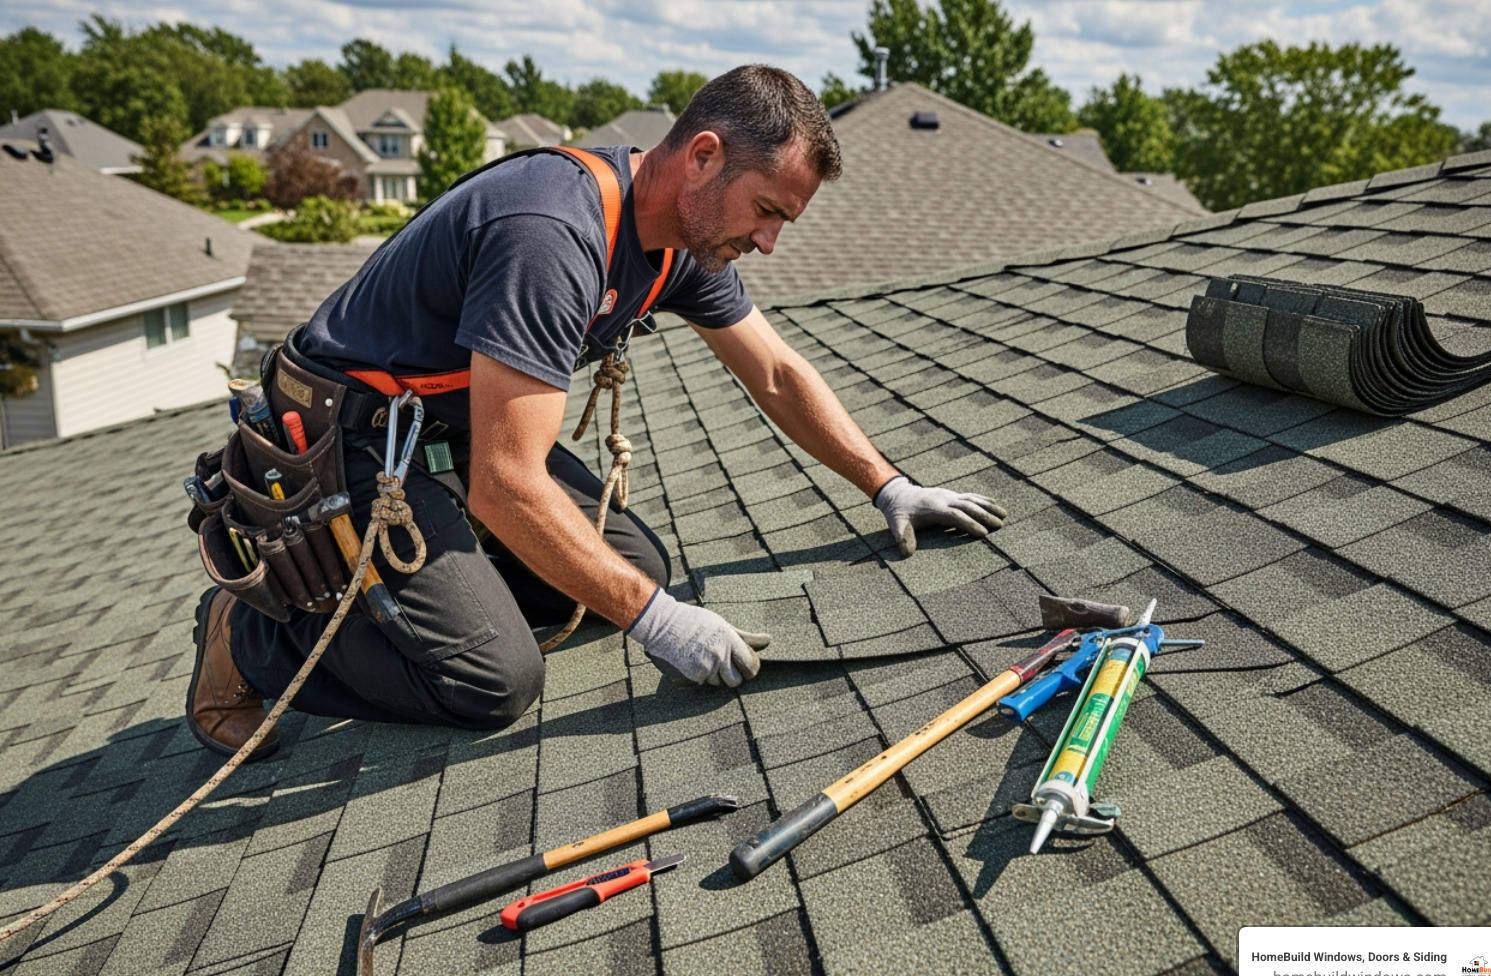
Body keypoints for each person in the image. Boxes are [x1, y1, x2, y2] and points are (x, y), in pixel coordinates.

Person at [186, 66, 1008, 758]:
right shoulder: (551, 232)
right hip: (351, 441)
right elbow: (506, 485)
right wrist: (661, 625)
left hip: (452, 427)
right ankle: (248, 639)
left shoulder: (680, 242)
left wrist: (888, 485)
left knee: (624, 572)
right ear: (704, 156)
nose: (768, 244)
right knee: (493, 680)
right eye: (766, 212)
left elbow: (780, 375)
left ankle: (450, 587)